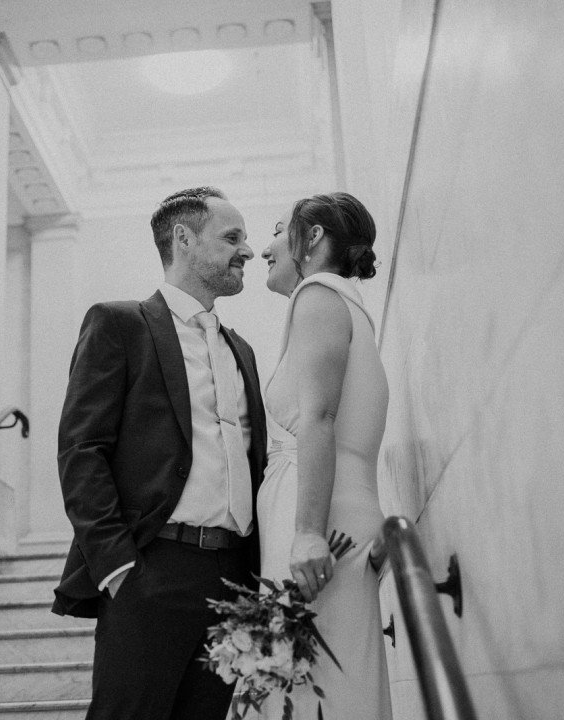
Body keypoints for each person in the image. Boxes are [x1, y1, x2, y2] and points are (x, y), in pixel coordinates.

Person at [53, 187, 267, 720]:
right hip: (152, 570)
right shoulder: (119, 324)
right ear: (183, 239)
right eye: (232, 237)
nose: (248, 250)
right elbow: (82, 450)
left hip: (234, 578)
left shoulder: (241, 349)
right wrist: (119, 566)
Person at [255, 192, 392, 718]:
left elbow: (319, 418)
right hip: (341, 507)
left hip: (319, 517)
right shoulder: (349, 305)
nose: (266, 248)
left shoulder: (317, 295)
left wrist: (308, 530)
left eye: (276, 229)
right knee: (333, 689)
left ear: (311, 237)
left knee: (316, 693)